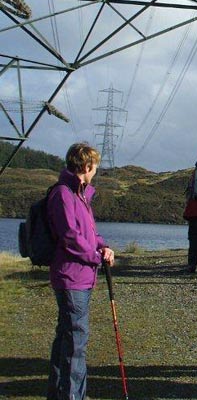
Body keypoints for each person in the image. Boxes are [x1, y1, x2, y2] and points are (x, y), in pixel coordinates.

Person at [46, 142, 115, 400]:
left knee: (67, 335)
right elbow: (71, 237)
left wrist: (103, 246)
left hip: (80, 275)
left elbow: (90, 233)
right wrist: (95, 257)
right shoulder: (64, 194)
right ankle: (72, 395)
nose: (95, 170)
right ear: (87, 166)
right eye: (95, 166)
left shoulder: (80, 195)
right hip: (71, 276)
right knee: (76, 340)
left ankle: (59, 393)